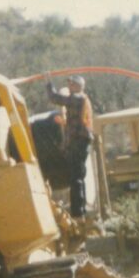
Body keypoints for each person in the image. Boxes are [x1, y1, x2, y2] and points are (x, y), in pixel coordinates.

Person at [46, 74, 94, 218]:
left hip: (79, 142)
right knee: (78, 176)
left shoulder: (77, 98)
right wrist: (64, 123)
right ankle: (81, 210)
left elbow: (55, 98)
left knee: (76, 178)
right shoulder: (80, 100)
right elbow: (77, 121)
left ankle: (78, 213)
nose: (69, 86)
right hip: (81, 141)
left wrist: (48, 83)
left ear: (79, 86)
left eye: (72, 84)